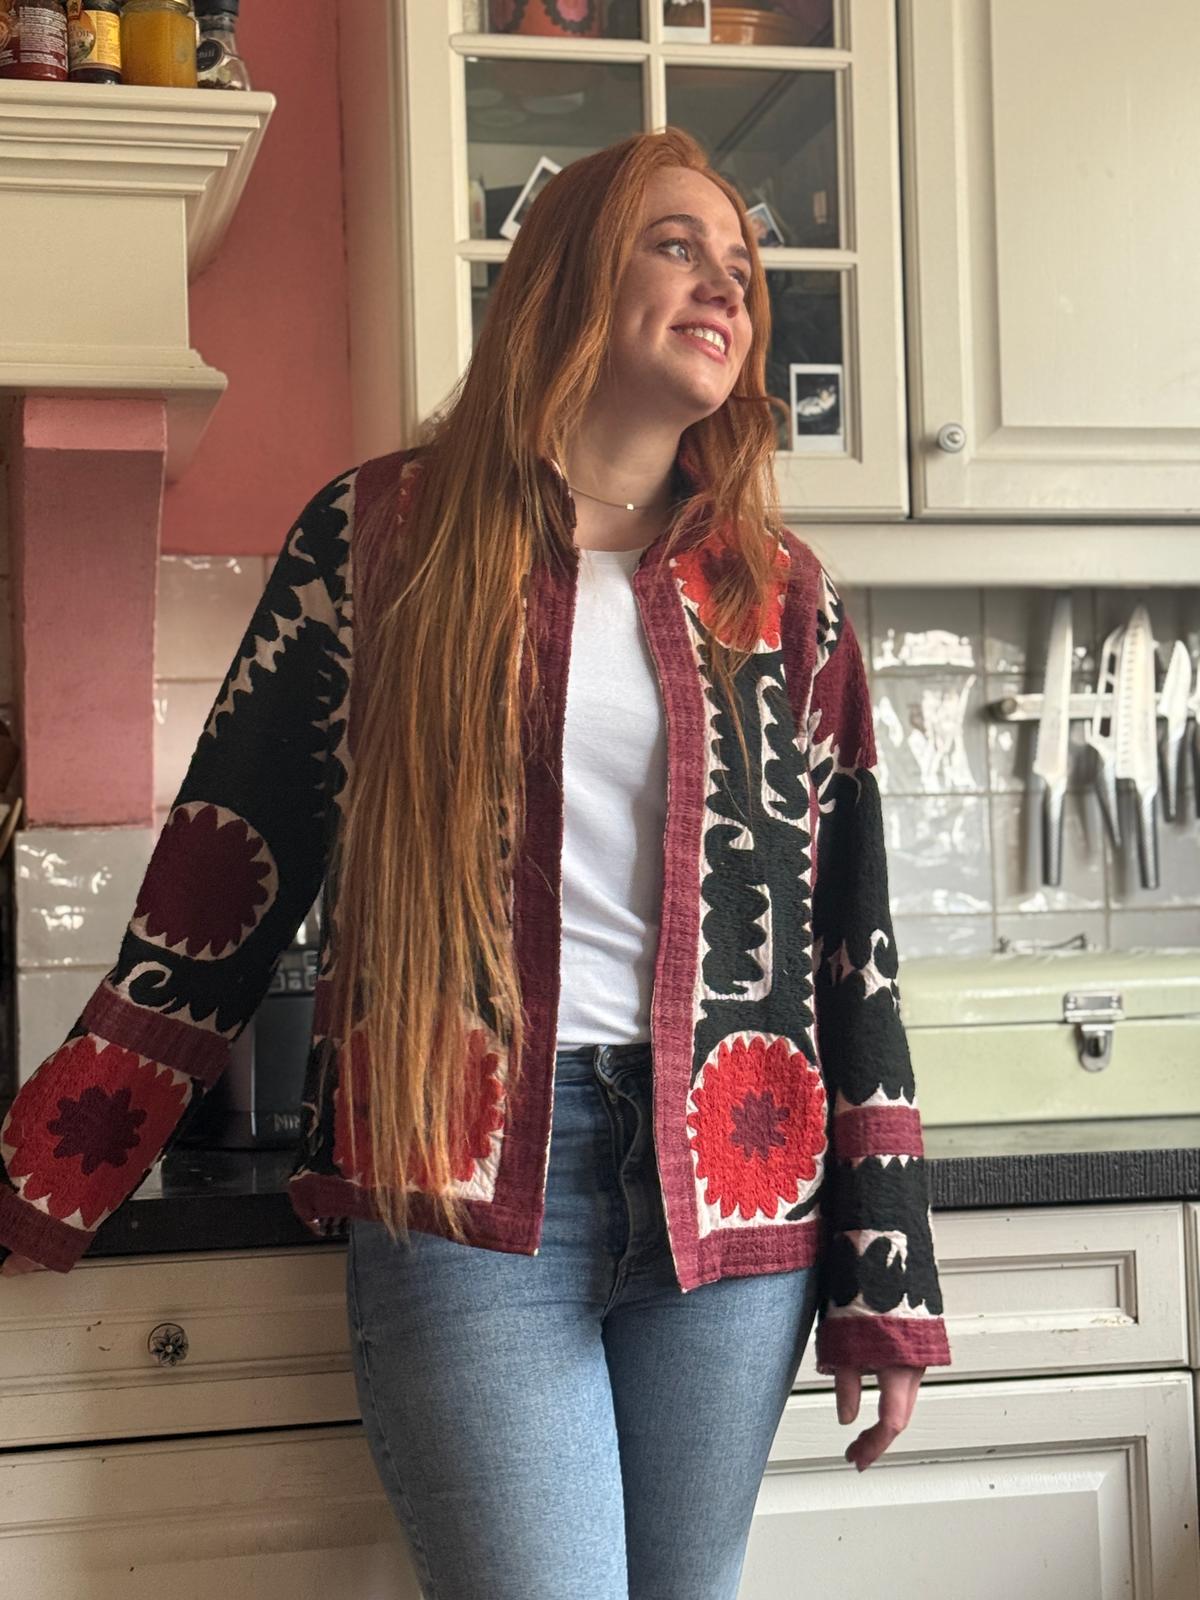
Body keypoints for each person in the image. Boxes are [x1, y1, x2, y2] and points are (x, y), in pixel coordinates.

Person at [0, 127, 950, 1597]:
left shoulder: (780, 593)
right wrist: (51, 1169)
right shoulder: (384, 535)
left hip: (734, 1185)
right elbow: (227, 870)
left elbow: (852, 941)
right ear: (571, 272)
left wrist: (886, 1273)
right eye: (677, 245)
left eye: (743, 268)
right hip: (467, 1178)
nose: (725, 286)